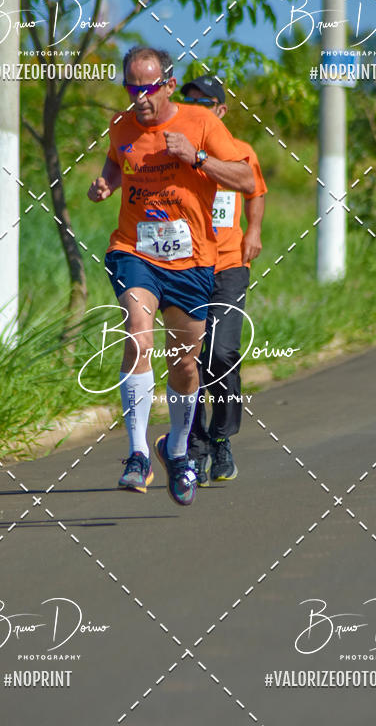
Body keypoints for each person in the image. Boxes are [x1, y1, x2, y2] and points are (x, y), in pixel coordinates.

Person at [87, 47, 254, 506]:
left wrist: (197, 158)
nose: (139, 98)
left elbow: (245, 179)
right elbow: (117, 158)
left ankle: (176, 451)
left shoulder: (202, 124)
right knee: (137, 335)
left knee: (184, 363)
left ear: (168, 84)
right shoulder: (121, 126)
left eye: (147, 88)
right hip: (133, 250)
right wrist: (107, 182)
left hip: (193, 262)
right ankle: (137, 453)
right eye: (131, 88)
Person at [181, 76, 267, 486]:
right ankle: (194, 450)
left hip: (230, 264)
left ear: (221, 110)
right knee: (189, 359)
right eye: (188, 100)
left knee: (221, 353)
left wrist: (254, 231)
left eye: (203, 102)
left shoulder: (241, 151)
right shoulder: (174, 148)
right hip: (185, 265)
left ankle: (221, 436)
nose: (194, 107)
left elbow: (256, 191)